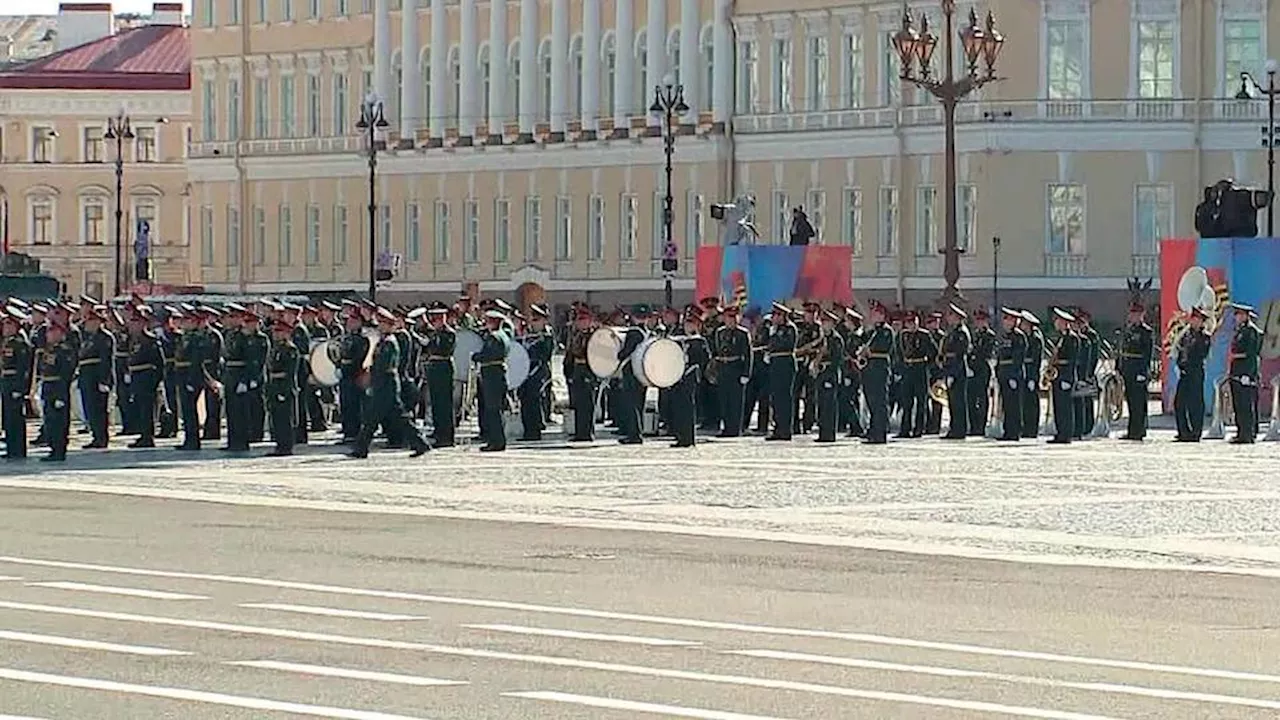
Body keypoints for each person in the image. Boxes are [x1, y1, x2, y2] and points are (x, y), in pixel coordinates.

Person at [350, 308, 430, 458]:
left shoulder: (390, 343)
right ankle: (420, 443)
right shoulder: (383, 341)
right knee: (395, 417)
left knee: (373, 418)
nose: (379, 326)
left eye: (382, 323)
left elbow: (384, 366)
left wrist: (370, 375)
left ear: (389, 325)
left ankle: (361, 449)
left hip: (387, 384)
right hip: (383, 384)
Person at [77, 306, 115, 449]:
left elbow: (106, 360)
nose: (88, 324)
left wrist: (104, 380)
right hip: (86, 376)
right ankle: (95, 435)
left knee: (99, 409)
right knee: (89, 408)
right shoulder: (85, 337)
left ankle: (101, 437)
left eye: (92, 321)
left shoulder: (104, 337)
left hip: (97, 377)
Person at [472, 309, 510, 452]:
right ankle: (497, 440)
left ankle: (496, 441)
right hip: (497, 373)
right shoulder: (504, 336)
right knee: (496, 409)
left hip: (492, 375)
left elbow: (488, 354)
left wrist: (476, 356)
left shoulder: (494, 337)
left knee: (493, 410)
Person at [711, 305, 752, 437]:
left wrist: (746, 373)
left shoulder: (742, 333)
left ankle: (735, 428)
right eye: (728, 317)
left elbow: (748, 354)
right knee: (724, 400)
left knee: (736, 401)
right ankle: (726, 427)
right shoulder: (720, 332)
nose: (731, 320)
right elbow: (716, 351)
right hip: (723, 367)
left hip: (736, 368)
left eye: (733, 317)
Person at [38, 321, 76, 462]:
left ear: (61, 334)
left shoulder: (64, 351)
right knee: (50, 421)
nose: (49, 334)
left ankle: (59, 450)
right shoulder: (50, 350)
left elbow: (65, 374)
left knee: (58, 421)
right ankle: (53, 448)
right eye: (49, 331)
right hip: (48, 388)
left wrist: (61, 396)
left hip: (57, 389)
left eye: (52, 332)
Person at [1117, 302, 1155, 441]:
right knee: (1131, 402)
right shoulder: (1128, 331)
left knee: (1139, 403)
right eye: (1132, 314)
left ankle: (1139, 430)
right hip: (1128, 370)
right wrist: (1119, 367)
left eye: (1136, 314)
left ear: (1142, 315)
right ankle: (1132, 430)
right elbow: (1122, 350)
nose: (1133, 317)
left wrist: (1143, 372)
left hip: (1138, 370)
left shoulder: (1146, 332)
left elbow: (1147, 354)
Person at [670, 306, 707, 448]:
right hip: (677, 377)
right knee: (678, 407)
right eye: (686, 323)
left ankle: (688, 437)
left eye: (691, 323)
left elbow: (704, 359)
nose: (688, 326)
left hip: (690, 376)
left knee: (687, 407)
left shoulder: (698, 341)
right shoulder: (679, 339)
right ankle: (680, 435)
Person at [1173, 307, 1211, 442]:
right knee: (1179, 402)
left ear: (1202, 322)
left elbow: (1201, 354)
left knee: (1195, 403)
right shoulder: (1186, 335)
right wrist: (1179, 365)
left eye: (1197, 320)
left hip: (1195, 372)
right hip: (1184, 373)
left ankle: (1195, 432)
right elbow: (1179, 350)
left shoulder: (1205, 337)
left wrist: (1195, 339)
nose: (1194, 322)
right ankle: (1183, 431)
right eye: (1193, 319)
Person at [1227, 302, 1263, 444]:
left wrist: (1248, 374)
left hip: (1245, 372)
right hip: (1237, 371)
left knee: (1246, 405)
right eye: (1236, 314)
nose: (1237, 317)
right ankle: (1241, 431)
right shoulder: (1240, 330)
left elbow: (1251, 354)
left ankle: (1247, 433)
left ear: (1246, 316)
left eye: (1239, 314)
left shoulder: (1251, 331)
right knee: (1238, 404)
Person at [421, 303, 456, 447]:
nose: (435, 322)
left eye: (438, 319)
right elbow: (428, 348)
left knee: (444, 405)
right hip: (434, 369)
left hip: (443, 369)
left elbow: (443, 350)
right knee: (435, 403)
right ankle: (438, 431)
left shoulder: (449, 333)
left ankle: (446, 436)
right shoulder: (435, 333)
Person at [518, 305, 555, 441]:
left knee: (534, 400)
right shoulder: (527, 334)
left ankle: (535, 430)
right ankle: (527, 430)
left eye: (537, 319)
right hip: (525, 373)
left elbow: (545, 355)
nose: (534, 322)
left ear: (544, 321)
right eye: (533, 319)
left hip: (538, 372)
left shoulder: (546, 336)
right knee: (525, 400)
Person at [266, 319, 300, 456]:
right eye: (275, 331)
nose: (275, 334)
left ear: (287, 333)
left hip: (284, 387)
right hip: (275, 385)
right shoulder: (276, 348)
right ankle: (279, 444)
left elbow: (290, 372)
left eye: (279, 331)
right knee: (276, 418)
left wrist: (284, 391)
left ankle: (286, 446)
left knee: (285, 418)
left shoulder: (290, 349)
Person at [614, 308, 648, 445]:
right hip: (642, 372)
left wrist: (619, 354)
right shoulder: (646, 331)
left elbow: (625, 352)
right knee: (639, 403)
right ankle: (637, 431)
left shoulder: (633, 332)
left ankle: (634, 434)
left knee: (631, 404)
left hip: (631, 371)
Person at [0, 310, 31, 460]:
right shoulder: (8, 341)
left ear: (15, 326)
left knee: (16, 418)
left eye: (8, 324)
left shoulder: (20, 343)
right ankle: (12, 448)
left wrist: (20, 389)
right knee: (9, 417)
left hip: (14, 384)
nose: (4, 327)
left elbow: (23, 368)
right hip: (6, 382)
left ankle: (18, 450)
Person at [862, 302, 894, 444]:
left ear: (881, 315)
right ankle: (872, 430)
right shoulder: (872, 331)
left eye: (875, 314)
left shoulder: (886, 331)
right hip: (869, 369)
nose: (872, 316)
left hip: (880, 368)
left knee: (880, 402)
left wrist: (868, 351)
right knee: (871, 401)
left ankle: (880, 433)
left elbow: (883, 347)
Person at [765, 302, 797, 441]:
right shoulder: (774, 329)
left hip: (785, 364)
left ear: (784, 316)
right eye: (774, 315)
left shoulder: (790, 329)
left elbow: (785, 345)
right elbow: (770, 346)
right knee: (776, 398)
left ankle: (786, 429)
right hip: (775, 364)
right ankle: (777, 428)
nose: (774, 318)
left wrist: (775, 336)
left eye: (777, 315)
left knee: (785, 398)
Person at [564, 306, 598, 442]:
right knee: (578, 403)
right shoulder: (576, 334)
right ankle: (580, 432)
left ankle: (587, 432)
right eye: (579, 320)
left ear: (589, 321)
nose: (580, 322)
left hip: (588, 370)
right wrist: (569, 372)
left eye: (583, 319)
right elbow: (571, 354)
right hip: (578, 370)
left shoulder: (594, 336)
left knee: (588, 404)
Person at [338, 310, 371, 444]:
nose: (349, 323)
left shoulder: (362, 339)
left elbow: (359, 359)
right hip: (345, 375)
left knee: (354, 405)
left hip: (355, 376)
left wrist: (348, 367)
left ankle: (354, 432)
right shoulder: (347, 338)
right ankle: (347, 432)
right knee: (345, 404)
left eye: (353, 321)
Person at [897, 311, 932, 438]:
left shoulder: (924, 335)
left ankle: (919, 429)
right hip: (908, 370)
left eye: (913, 322)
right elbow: (899, 354)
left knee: (921, 401)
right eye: (909, 322)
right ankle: (904, 429)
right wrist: (901, 369)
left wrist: (928, 367)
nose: (911, 325)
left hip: (920, 369)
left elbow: (932, 352)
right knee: (907, 402)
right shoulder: (903, 335)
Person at [1047, 307, 1078, 445]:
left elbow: (1072, 360)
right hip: (1058, 376)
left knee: (1065, 407)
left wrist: (1066, 378)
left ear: (1064, 322)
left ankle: (1066, 434)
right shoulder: (1061, 338)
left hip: (1065, 376)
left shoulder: (1072, 338)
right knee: (1058, 406)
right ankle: (1060, 433)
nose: (1055, 323)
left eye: (1058, 320)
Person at [940, 303, 972, 439]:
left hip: (957, 370)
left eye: (951, 315)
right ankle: (954, 428)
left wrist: (953, 373)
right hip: (950, 369)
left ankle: (960, 429)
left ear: (958, 317)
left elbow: (959, 355)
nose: (948, 318)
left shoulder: (961, 333)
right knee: (952, 402)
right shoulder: (952, 332)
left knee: (958, 401)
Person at [995, 308, 1027, 441]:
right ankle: (1008, 430)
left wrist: (1013, 375)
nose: (1004, 322)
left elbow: (1018, 358)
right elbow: (1000, 356)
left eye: (1007, 319)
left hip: (1013, 375)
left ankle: (1015, 431)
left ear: (1013, 321)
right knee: (1006, 405)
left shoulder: (1018, 337)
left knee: (1014, 405)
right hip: (1004, 374)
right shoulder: (1005, 336)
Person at [814, 310, 845, 443]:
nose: (823, 325)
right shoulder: (822, 339)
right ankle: (823, 432)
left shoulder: (836, 339)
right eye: (822, 322)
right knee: (821, 404)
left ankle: (829, 433)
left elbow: (837, 360)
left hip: (830, 375)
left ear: (832, 324)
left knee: (829, 405)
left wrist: (828, 372)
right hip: (821, 374)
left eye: (826, 322)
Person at [967, 308, 996, 435]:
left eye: (981, 320)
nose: (978, 323)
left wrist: (974, 356)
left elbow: (986, 352)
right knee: (971, 398)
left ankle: (981, 426)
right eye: (977, 320)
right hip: (972, 368)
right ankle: (974, 425)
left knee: (982, 398)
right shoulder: (975, 334)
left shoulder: (989, 335)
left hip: (982, 368)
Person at [841, 308, 866, 437]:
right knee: (850, 399)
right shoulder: (851, 336)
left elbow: (854, 354)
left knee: (849, 398)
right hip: (849, 370)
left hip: (853, 371)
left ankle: (856, 426)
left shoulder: (856, 337)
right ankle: (854, 426)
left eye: (847, 321)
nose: (845, 324)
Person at [1020, 310, 1044, 438]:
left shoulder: (1035, 339)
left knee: (1032, 403)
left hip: (1031, 374)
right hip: (1024, 373)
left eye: (1023, 323)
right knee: (1025, 402)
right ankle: (1026, 428)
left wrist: (1033, 378)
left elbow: (1036, 360)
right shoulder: (1025, 337)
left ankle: (1032, 429)